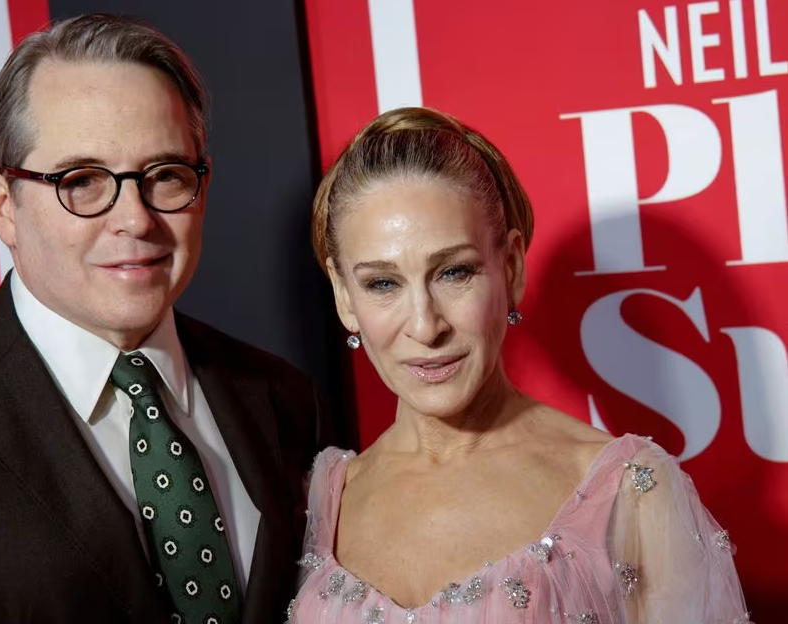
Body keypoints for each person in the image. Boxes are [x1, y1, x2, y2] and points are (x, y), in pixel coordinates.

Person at [0, 14, 330, 624]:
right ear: (3, 206)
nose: (135, 219)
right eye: (84, 181)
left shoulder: (282, 398)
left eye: (166, 176)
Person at [287, 107, 750, 623]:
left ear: (510, 267)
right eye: (382, 283)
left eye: (454, 272)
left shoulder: (630, 491)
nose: (424, 325)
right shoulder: (325, 498)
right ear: (344, 296)